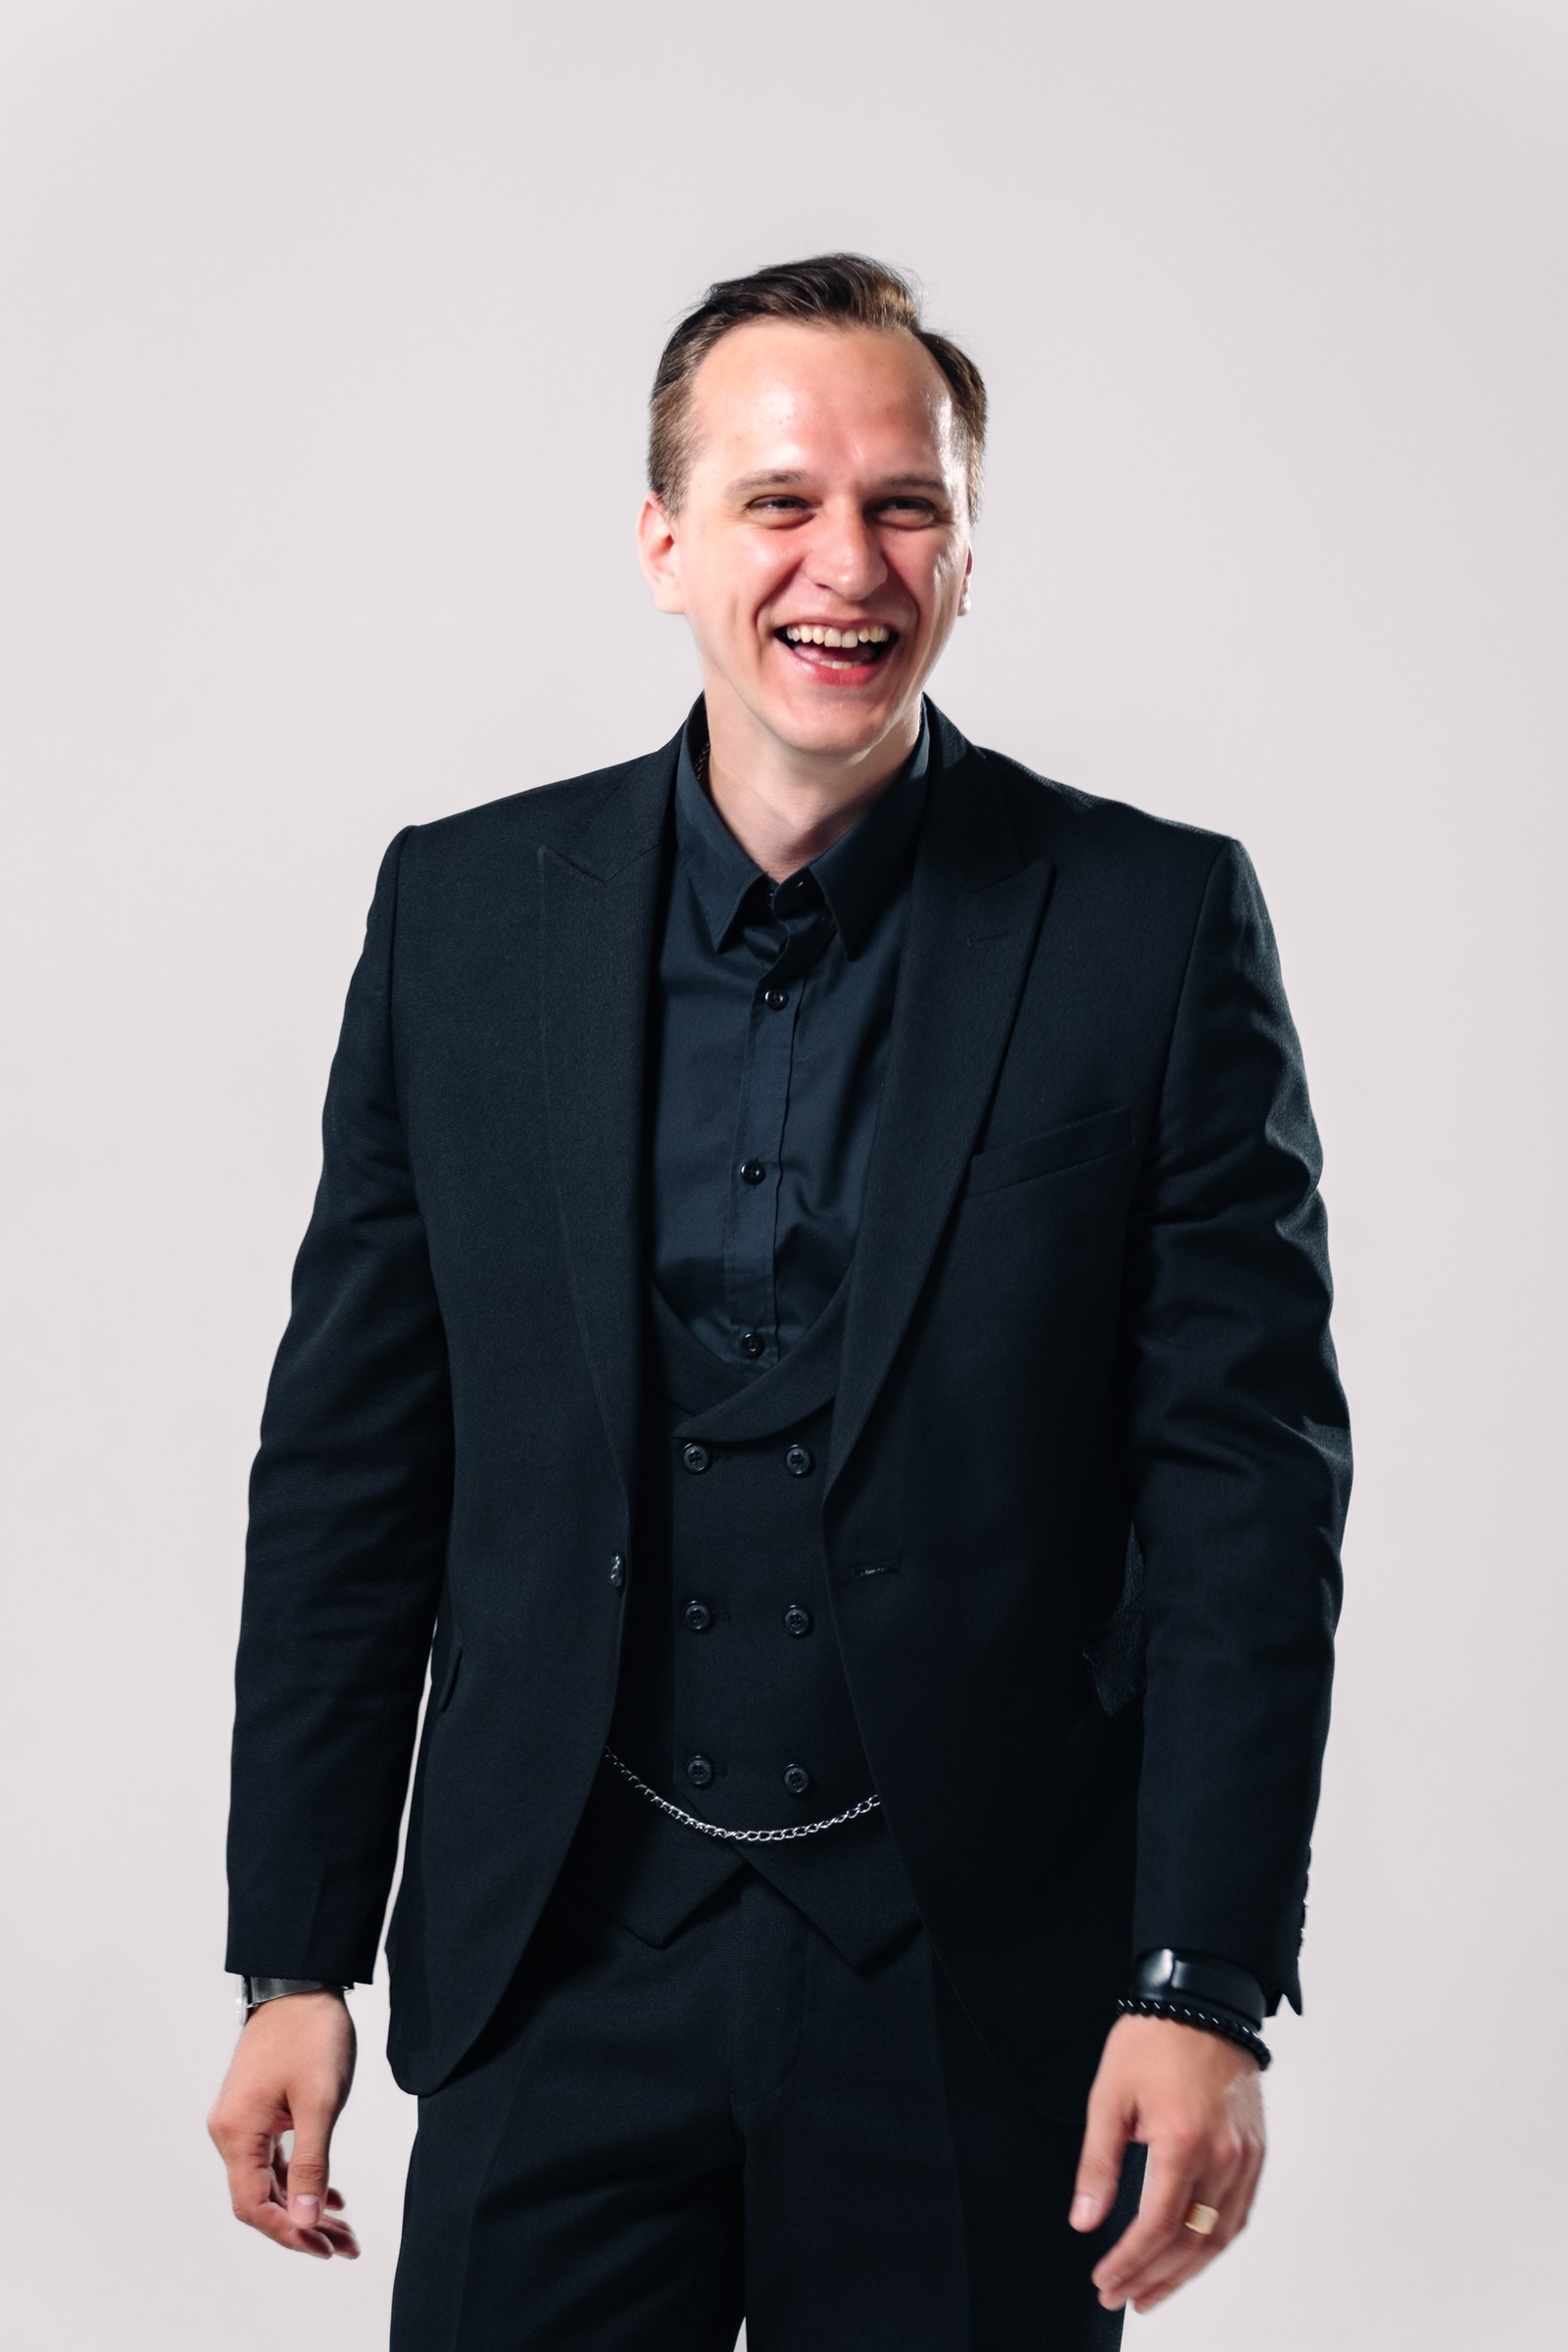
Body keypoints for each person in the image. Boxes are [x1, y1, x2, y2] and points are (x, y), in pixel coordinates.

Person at [208, 253, 1350, 2349]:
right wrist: (295, 1952)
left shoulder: (1148, 922)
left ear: (967, 550)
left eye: (906, 505)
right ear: (664, 543)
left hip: (974, 1974)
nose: (848, 563)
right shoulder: (461, 914)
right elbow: (353, 1468)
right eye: (778, 502)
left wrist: (1199, 1984)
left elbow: (1242, 1500)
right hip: (555, 1954)